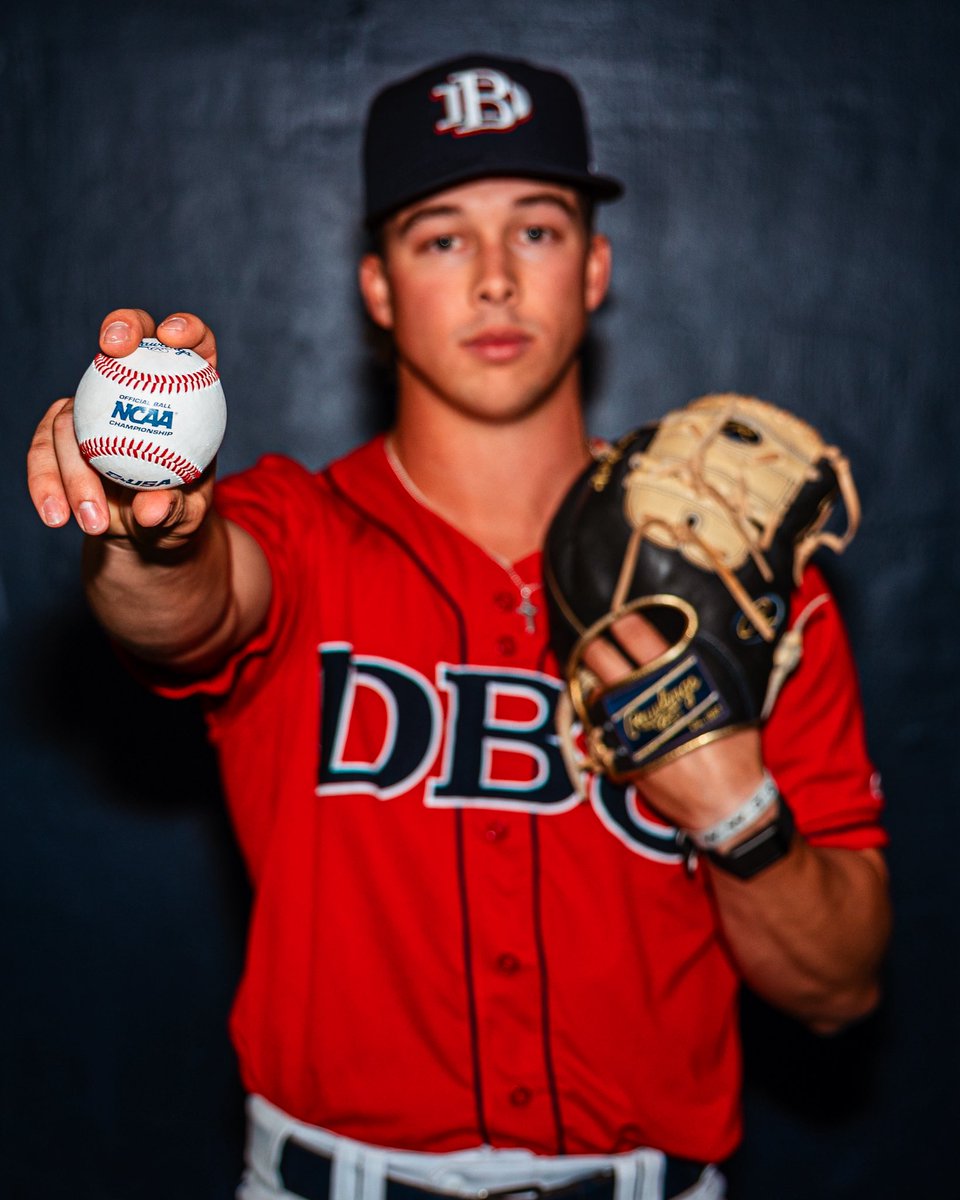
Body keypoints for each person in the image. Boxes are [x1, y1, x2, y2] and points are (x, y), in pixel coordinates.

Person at [27, 54, 890, 1200]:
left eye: (536, 229)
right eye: (441, 238)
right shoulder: (299, 531)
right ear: (378, 288)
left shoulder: (741, 575)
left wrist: (738, 812)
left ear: (595, 267)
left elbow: (840, 987)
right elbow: (186, 612)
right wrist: (152, 533)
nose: (494, 279)